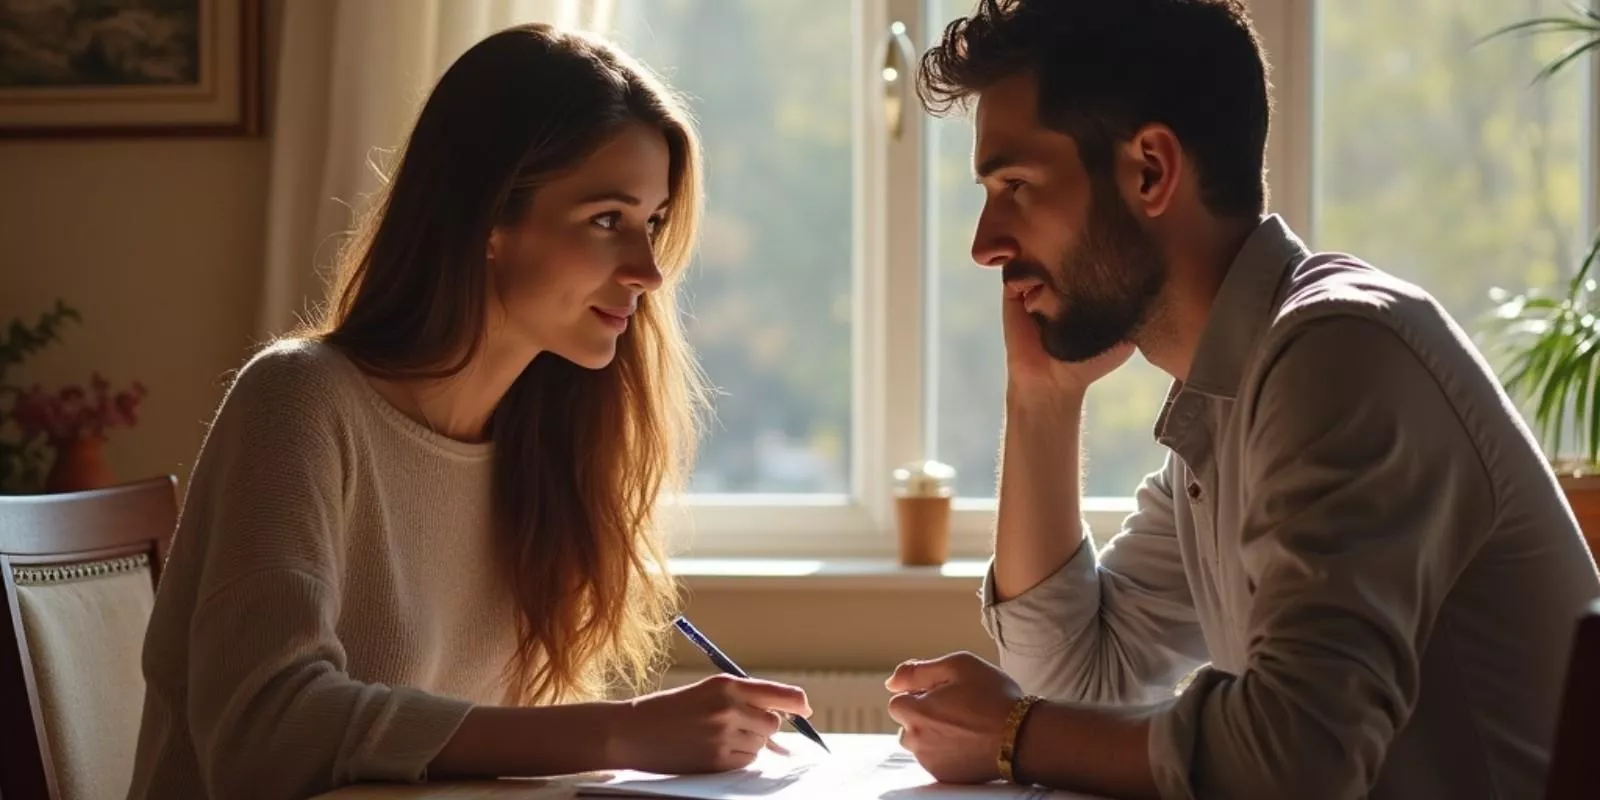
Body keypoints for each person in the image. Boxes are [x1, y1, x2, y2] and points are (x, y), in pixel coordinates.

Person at [883, 1, 1600, 798]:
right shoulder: (1233, 392)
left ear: (1151, 170)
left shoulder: (1340, 355)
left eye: (1014, 184)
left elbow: (1297, 760)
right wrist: (1041, 405)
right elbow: (1082, 679)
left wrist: (1016, 735)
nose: (985, 244)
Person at [126, 24, 810, 800]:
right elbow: (264, 732)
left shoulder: (542, 446)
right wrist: (621, 730)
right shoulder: (298, 402)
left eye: (651, 224)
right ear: (488, 219)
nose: (648, 270)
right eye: (606, 220)